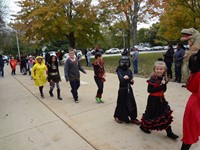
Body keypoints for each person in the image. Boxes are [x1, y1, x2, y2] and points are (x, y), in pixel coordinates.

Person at [140, 61, 179, 140]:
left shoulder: (164, 78)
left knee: (165, 114)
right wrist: (161, 86)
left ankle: (169, 132)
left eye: (161, 69)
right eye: (157, 69)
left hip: (161, 99)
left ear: (164, 70)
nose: (159, 70)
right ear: (154, 69)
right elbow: (149, 90)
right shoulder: (153, 78)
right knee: (150, 113)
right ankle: (143, 126)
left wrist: (163, 85)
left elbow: (164, 90)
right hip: (153, 99)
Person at [181, 50, 200, 150]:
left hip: (193, 103)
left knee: (190, 132)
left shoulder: (195, 73)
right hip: (197, 106)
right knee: (191, 133)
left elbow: (190, 88)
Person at [114, 56, 140, 125]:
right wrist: (128, 80)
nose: (125, 64)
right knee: (121, 104)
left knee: (132, 103)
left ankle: (133, 117)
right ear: (120, 63)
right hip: (122, 89)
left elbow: (131, 82)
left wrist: (129, 80)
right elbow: (122, 80)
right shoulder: (119, 70)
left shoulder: (129, 71)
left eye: (127, 62)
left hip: (129, 89)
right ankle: (117, 116)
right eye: (123, 62)